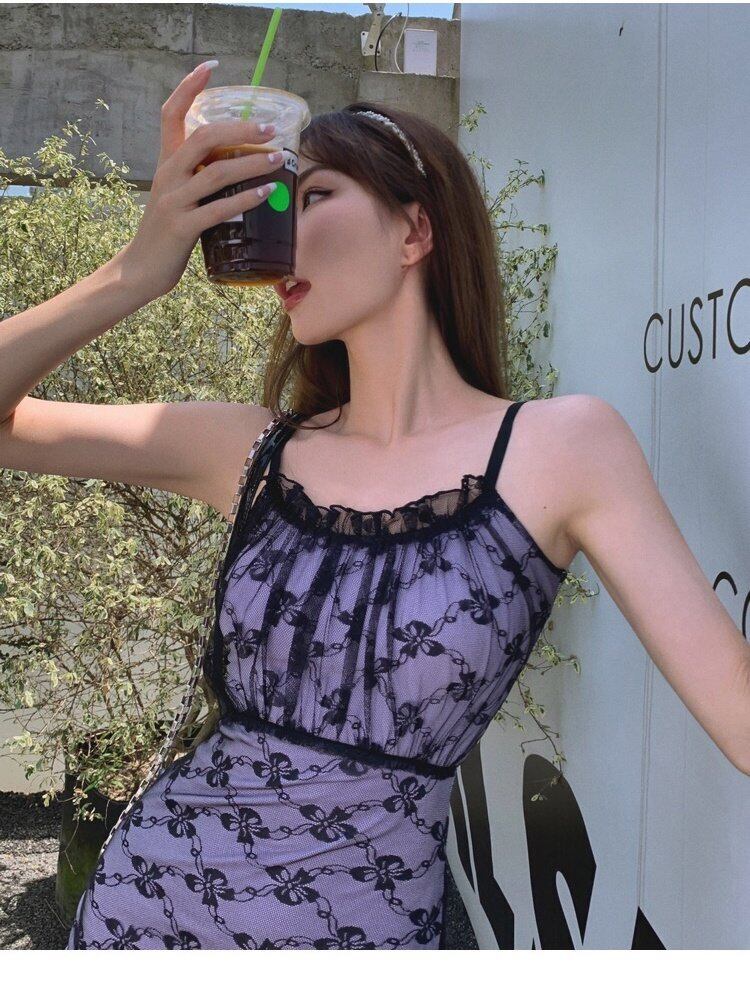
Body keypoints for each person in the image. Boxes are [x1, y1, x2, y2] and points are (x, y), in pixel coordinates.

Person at [2, 64, 748, 950]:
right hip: (139, 924)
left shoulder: (562, 447)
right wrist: (133, 273)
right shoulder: (251, 449)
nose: (278, 225)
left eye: (312, 194)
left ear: (415, 230)